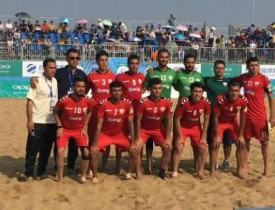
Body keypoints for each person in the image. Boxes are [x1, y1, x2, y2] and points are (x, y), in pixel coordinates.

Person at [31, 48, 87, 174]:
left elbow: (85, 90)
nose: (74, 60)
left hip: (75, 115)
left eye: (77, 58)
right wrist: (33, 78)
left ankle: (71, 166)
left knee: (74, 145)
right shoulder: (59, 73)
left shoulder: (82, 74)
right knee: (56, 143)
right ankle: (52, 168)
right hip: (60, 115)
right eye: (72, 58)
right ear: (67, 59)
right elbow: (46, 78)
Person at [235, 57, 275, 176]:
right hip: (246, 117)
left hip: (260, 117)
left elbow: (271, 97)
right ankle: (244, 166)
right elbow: (230, 84)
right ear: (247, 66)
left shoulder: (264, 79)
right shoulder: (242, 78)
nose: (254, 67)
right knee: (245, 142)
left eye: (256, 65)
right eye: (251, 65)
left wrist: (273, 116)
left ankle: (266, 169)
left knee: (265, 143)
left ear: (259, 66)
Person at [126, 78, 173, 180]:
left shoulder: (167, 102)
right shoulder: (142, 102)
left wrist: (168, 138)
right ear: (150, 89)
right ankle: (137, 172)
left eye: (160, 88)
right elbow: (138, 120)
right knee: (136, 147)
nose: (157, 91)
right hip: (144, 129)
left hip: (157, 129)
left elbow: (169, 120)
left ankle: (162, 172)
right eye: (155, 88)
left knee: (167, 147)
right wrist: (137, 137)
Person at [90, 81, 134, 183]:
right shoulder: (103, 104)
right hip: (105, 135)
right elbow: (99, 125)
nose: (117, 93)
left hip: (119, 135)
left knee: (135, 150)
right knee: (93, 151)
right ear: (110, 92)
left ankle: (128, 173)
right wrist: (95, 143)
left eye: (119, 90)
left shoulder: (127, 104)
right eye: (114, 91)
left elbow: (131, 123)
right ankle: (95, 176)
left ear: (122, 91)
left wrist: (134, 140)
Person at [142, 48, 176, 173]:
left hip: (166, 110)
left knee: (167, 137)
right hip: (152, 110)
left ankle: (164, 165)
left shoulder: (173, 73)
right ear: (157, 58)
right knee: (149, 139)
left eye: (166, 57)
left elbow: (179, 86)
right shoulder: (151, 73)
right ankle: (149, 164)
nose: (164, 59)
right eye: (162, 57)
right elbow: (143, 89)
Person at [53, 77, 92, 183]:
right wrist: (59, 126)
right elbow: (55, 111)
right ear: (73, 87)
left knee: (86, 152)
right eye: (78, 86)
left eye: (83, 87)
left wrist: (84, 127)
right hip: (65, 129)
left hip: (79, 130)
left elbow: (90, 112)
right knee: (60, 151)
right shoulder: (64, 100)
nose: (81, 89)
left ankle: (83, 176)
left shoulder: (88, 100)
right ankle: (60, 176)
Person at [25, 58, 58, 181]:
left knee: (46, 149)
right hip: (37, 121)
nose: (52, 70)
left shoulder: (55, 81)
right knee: (32, 148)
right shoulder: (37, 81)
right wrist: (29, 120)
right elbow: (29, 101)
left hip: (51, 121)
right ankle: (29, 173)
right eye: (50, 67)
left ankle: (41, 172)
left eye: (54, 68)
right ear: (44, 68)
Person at [210, 79, 248, 178]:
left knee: (241, 144)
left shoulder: (243, 100)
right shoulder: (220, 98)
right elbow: (215, 117)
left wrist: (240, 136)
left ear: (240, 91)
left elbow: (243, 118)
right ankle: (212, 171)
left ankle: (239, 170)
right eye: (231, 90)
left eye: (236, 90)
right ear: (228, 90)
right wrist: (217, 135)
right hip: (221, 122)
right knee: (215, 143)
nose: (233, 93)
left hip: (232, 122)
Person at [172, 82, 210, 179]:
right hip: (183, 127)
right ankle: (175, 171)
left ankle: (200, 171)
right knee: (179, 146)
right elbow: (176, 119)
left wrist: (204, 137)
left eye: (200, 92)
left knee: (203, 147)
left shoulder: (206, 102)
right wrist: (179, 136)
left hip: (195, 127)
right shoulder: (183, 101)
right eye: (195, 91)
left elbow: (206, 120)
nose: (197, 94)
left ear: (203, 93)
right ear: (191, 92)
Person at [86, 50, 115, 173]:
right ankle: (92, 166)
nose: (104, 63)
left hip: (108, 113)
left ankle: (103, 165)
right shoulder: (91, 76)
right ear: (97, 61)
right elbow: (84, 93)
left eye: (106, 60)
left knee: (106, 139)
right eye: (101, 60)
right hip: (94, 113)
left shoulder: (113, 76)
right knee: (93, 139)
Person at [204, 60, 233, 172]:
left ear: (224, 69)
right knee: (213, 141)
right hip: (212, 115)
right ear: (214, 69)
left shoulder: (229, 82)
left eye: (221, 68)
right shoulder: (208, 81)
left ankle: (226, 161)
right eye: (217, 68)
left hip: (227, 117)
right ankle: (214, 162)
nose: (219, 70)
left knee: (227, 142)